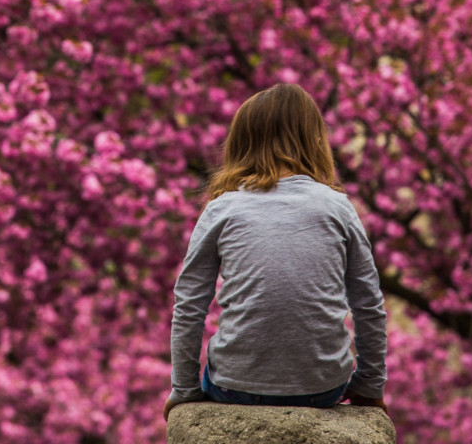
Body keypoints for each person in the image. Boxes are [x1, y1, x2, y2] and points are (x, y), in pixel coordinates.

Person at [163, 83, 387, 422]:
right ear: (314, 140)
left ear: (241, 143)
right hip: (323, 388)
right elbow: (368, 304)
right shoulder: (338, 208)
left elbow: (189, 305)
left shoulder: (222, 209)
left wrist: (183, 390)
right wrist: (369, 386)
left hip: (234, 387)